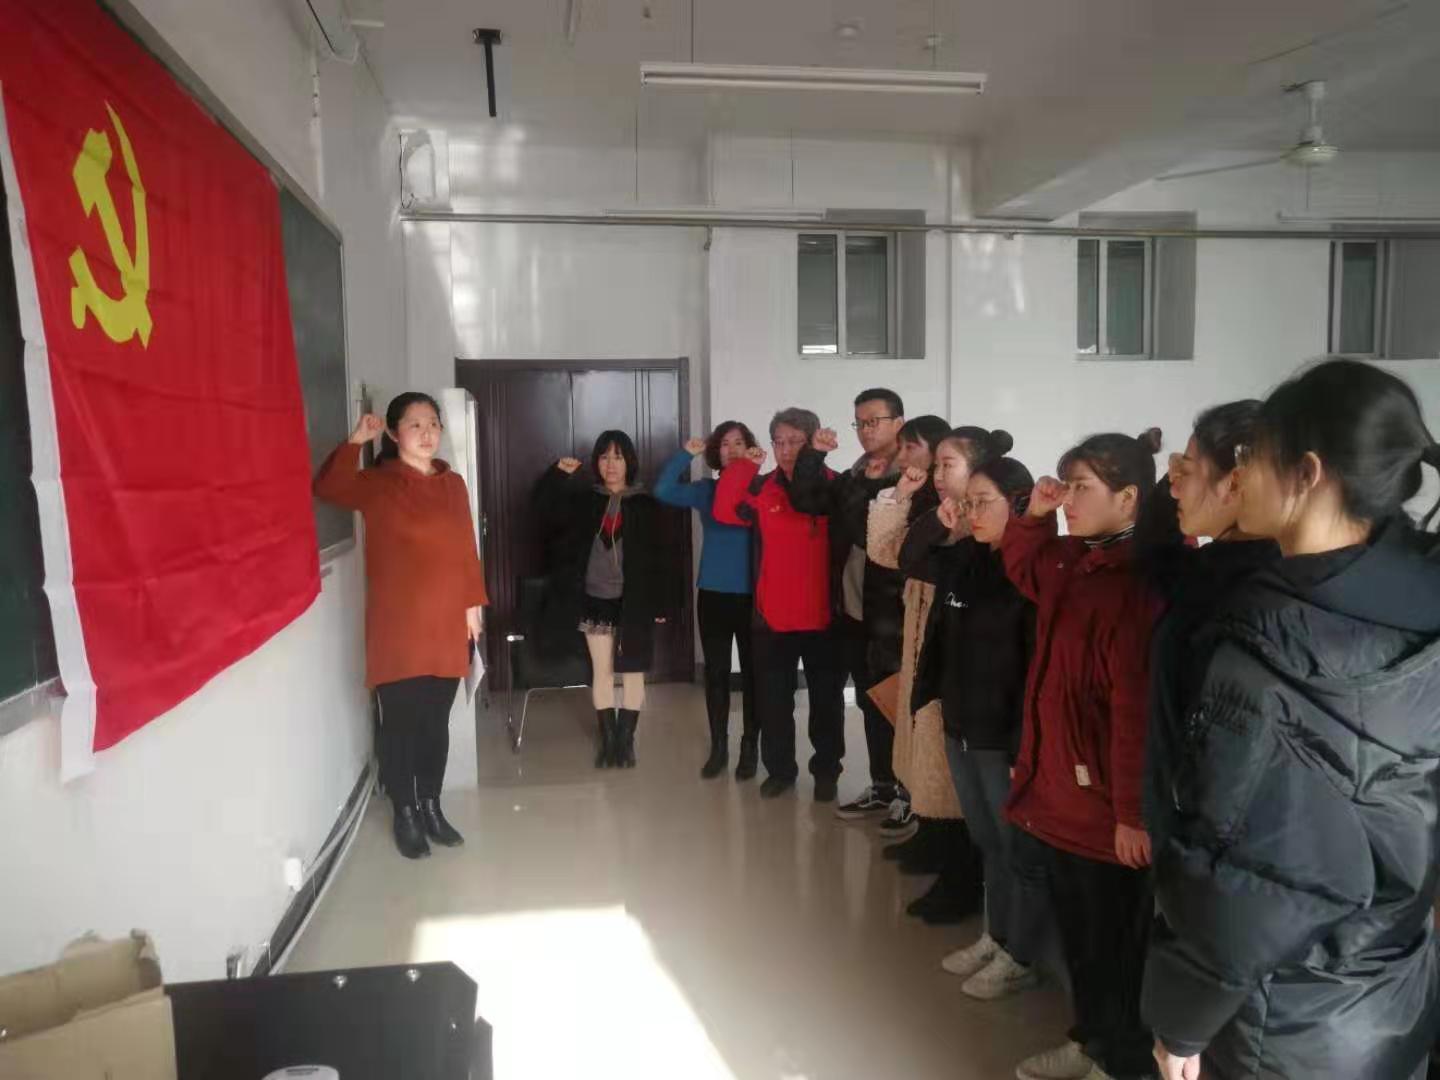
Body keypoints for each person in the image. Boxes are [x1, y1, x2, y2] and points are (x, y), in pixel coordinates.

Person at [1146, 359, 1440, 1080]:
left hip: (1285, 1012)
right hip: (1388, 988)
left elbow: (1257, 875)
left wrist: (1182, 1024)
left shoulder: (1272, 653)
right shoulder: (1417, 602)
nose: (1239, 473)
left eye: (1253, 454)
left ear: (1307, 473)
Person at [1002, 428, 1166, 1080]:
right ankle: (1090, 1038)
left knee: (1117, 944)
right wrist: (1035, 518)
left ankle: (1121, 1060)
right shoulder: (1075, 561)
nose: (1068, 499)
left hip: (1106, 810)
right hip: (1063, 792)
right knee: (1081, 938)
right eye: (1065, 484)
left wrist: (1131, 813)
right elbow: (1023, 568)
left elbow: (1134, 714)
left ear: (1129, 498)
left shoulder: (1137, 582)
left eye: (1082, 488)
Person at [314, 393, 487, 860]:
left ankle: (431, 805)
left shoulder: (453, 484)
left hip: (447, 622)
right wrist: (356, 441)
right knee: (400, 725)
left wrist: (473, 607)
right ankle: (405, 811)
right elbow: (329, 486)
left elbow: (465, 548)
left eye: (433, 423)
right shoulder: (378, 484)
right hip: (398, 626)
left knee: (435, 723)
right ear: (393, 433)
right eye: (415, 424)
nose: (427, 433)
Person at [920, 454, 1041, 1002]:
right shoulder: (966, 558)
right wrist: (949, 533)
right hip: (962, 722)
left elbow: (1034, 666)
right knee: (987, 839)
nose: (972, 513)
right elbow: (918, 565)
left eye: (983, 502)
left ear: (1019, 503)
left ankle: (1020, 954)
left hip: (1002, 734)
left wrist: (1022, 744)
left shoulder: (1029, 572)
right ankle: (996, 935)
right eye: (967, 503)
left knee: (1014, 847)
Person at [1141, 401, 1279, 856]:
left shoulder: (1256, 587)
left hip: (1214, 846)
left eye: (1187, 470)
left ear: (1234, 482)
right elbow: (1153, 551)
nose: (1175, 486)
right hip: (1190, 833)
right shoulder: (1211, 568)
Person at [869, 419, 987, 925]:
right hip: (924, 641)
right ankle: (934, 841)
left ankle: (960, 876)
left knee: (949, 767)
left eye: (946, 464)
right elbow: (888, 553)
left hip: (959, 657)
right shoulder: (939, 511)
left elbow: (905, 557)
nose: (936, 474)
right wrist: (902, 497)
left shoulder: (980, 522)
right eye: (935, 464)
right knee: (926, 751)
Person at [788, 389, 911, 825]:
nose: (865, 430)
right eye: (859, 422)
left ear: (898, 423)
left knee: (900, 706)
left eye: (874, 421)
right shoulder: (856, 474)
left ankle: (911, 794)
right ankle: (882, 786)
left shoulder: (912, 478)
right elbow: (806, 500)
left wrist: (870, 485)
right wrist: (813, 456)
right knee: (870, 700)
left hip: (895, 617)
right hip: (855, 611)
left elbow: (867, 531)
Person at [714, 407, 846, 801]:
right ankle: (781, 771)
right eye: (779, 442)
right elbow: (724, 509)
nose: (786, 450)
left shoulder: (835, 487)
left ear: (812, 443)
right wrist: (745, 465)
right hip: (772, 617)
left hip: (825, 617)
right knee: (773, 703)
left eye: (795, 442)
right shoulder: (761, 488)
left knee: (827, 703)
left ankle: (826, 772)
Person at [535, 431, 664, 769]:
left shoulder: (645, 504)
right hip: (595, 599)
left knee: (633, 673)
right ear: (596, 462)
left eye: (618, 457)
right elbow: (543, 510)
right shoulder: (585, 501)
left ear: (629, 462)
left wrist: (661, 604)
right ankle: (608, 741)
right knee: (602, 672)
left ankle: (626, 741)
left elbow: (661, 556)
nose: (611, 464)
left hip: (635, 601)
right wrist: (557, 475)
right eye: (604, 457)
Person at [655, 422, 759, 780]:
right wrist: (686, 454)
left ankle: (750, 747)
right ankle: (719, 748)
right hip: (713, 594)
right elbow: (663, 490)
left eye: (739, 442)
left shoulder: (761, 487)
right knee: (716, 674)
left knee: (753, 674)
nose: (732, 449)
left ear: (749, 448)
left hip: (754, 595)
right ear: (717, 452)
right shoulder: (706, 491)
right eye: (725, 444)